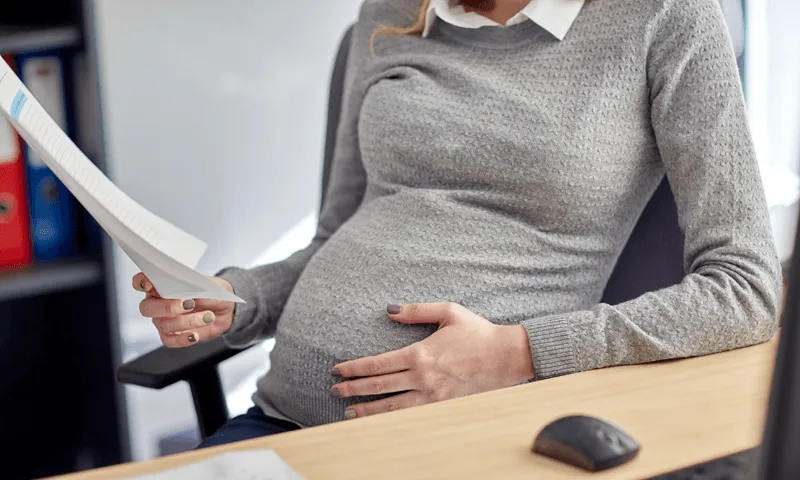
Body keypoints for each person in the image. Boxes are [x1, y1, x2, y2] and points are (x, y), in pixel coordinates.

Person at [134, 0, 782, 448]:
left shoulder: (664, 16)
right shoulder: (391, 13)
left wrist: (519, 352)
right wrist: (237, 298)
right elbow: (336, 236)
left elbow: (746, 290)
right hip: (280, 424)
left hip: (464, 439)